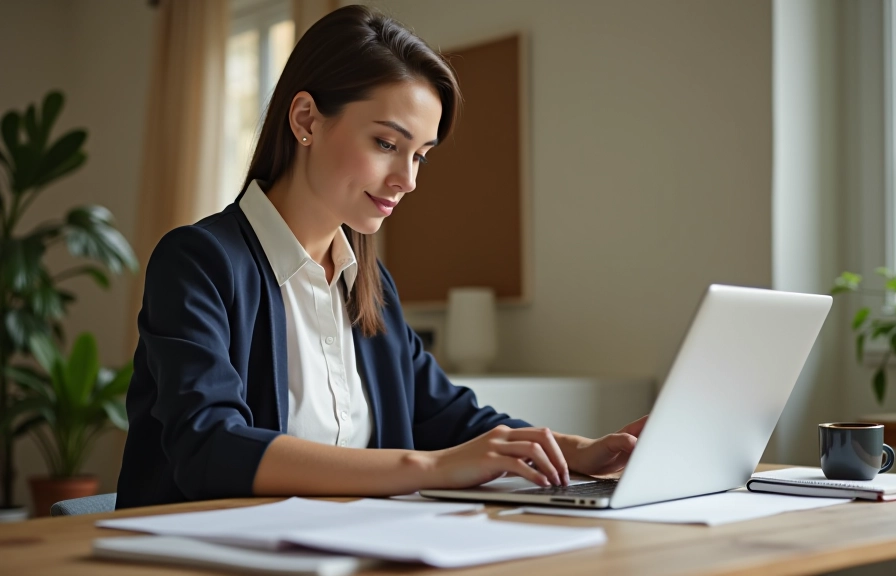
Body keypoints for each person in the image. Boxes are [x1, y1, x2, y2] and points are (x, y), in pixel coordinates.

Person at [116, 4, 646, 509]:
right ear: (306, 119)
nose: (408, 180)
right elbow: (211, 446)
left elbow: (445, 415)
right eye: (387, 144)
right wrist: (431, 469)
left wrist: (582, 452)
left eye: (420, 155)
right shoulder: (198, 262)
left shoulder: (369, 284)